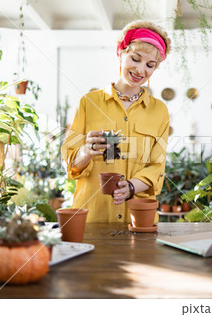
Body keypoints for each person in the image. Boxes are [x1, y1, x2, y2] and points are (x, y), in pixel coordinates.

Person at [61, 20, 171, 222]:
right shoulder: (89, 102)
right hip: (92, 217)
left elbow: (157, 166)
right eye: (135, 59)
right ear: (121, 52)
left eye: (150, 65)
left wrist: (130, 187)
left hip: (138, 219)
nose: (140, 70)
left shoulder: (159, 111)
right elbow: (71, 166)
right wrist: (86, 151)